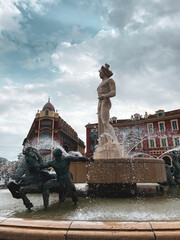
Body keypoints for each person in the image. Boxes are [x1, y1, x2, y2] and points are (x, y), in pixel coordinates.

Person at [97, 63, 118, 143]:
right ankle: (104, 142)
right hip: (99, 103)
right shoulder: (100, 84)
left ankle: (114, 141)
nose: (99, 74)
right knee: (100, 125)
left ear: (104, 73)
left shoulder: (110, 80)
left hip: (105, 101)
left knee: (105, 122)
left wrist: (105, 95)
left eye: (100, 72)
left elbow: (113, 92)